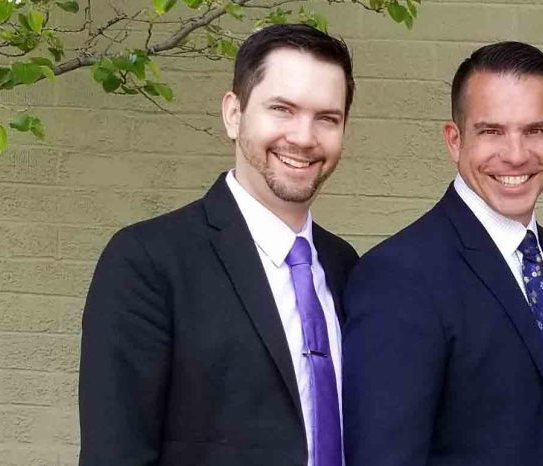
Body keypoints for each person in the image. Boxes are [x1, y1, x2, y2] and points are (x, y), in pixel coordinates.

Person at [78, 24, 357, 466]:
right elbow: (116, 453)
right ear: (233, 113)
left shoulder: (346, 267)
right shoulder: (147, 262)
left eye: (327, 118)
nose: (304, 137)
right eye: (282, 109)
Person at [342, 41, 543, 466]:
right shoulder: (398, 277)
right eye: (491, 131)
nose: (515, 155)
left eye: (535, 130)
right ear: (454, 141)